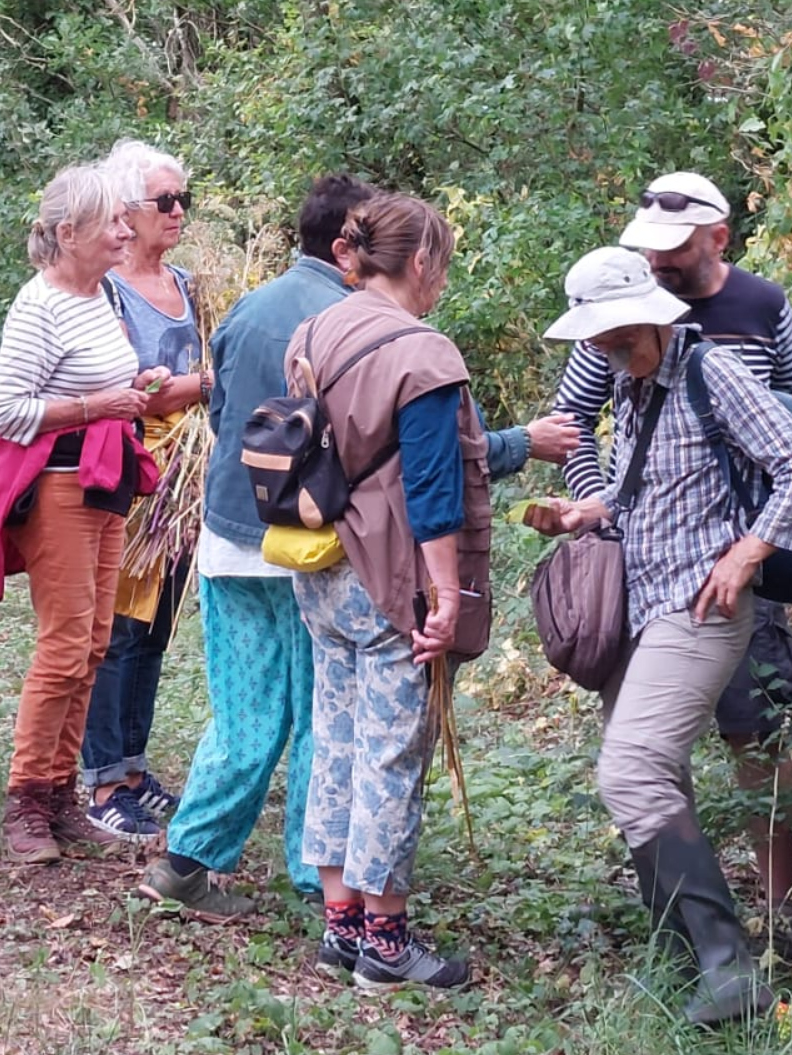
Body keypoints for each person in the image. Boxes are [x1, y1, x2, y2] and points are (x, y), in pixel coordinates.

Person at [138, 177, 579, 927]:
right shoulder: (397, 339)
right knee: (357, 737)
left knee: (282, 722)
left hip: (248, 536)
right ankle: (355, 910)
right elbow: (434, 467)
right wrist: (453, 577)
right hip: (349, 557)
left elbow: (236, 415)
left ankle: (247, 879)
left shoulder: (278, 316)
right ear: (402, 260)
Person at [552, 171, 792, 943]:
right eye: (650, 249)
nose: (659, 261)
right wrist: (599, 506)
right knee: (646, 744)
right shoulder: (614, 318)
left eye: (673, 249)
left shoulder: (756, 308)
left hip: (745, 550)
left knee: (756, 724)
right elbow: (574, 422)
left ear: (717, 239)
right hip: (646, 560)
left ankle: (781, 910)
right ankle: (693, 924)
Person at [528, 246, 792, 1026]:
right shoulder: (633, 387)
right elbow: (651, 496)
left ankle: (730, 967)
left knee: (629, 772)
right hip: (642, 599)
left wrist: (748, 551)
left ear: (651, 315)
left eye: (619, 332)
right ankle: (680, 948)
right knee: (651, 770)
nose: (607, 348)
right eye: (597, 337)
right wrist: (587, 513)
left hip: (700, 608)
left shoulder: (713, 371)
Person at [279, 192, 495, 993]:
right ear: (421, 262)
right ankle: (388, 943)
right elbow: (435, 490)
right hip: (391, 573)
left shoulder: (315, 329)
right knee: (393, 753)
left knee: (334, 736)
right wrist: (446, 596)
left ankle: (340, 924)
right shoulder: (424, 354)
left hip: (322, 560)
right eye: (443, 260)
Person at [0, 163, 166, 864]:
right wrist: (97, 406)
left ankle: (62, 797)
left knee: (93, 645)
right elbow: (5, 412)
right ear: (67, 233)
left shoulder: (99, 295)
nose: (126, 231)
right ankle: (25, 802)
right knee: (63, 647)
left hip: (105, 484)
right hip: (57, 489)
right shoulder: (40, 305)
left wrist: (131, 387)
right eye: (113, 222)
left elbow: (98, 380)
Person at [79, 139, 208, 842]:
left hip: (184, 482)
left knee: (156, 627)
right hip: (134, 473)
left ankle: (133, 765)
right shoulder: (106, 292)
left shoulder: (186, 284)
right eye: (165, 202)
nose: (178, 211)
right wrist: (201, 388)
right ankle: (103, 780)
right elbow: (126, 388)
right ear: (127, 211)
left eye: (183, 199)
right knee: (121, 628)